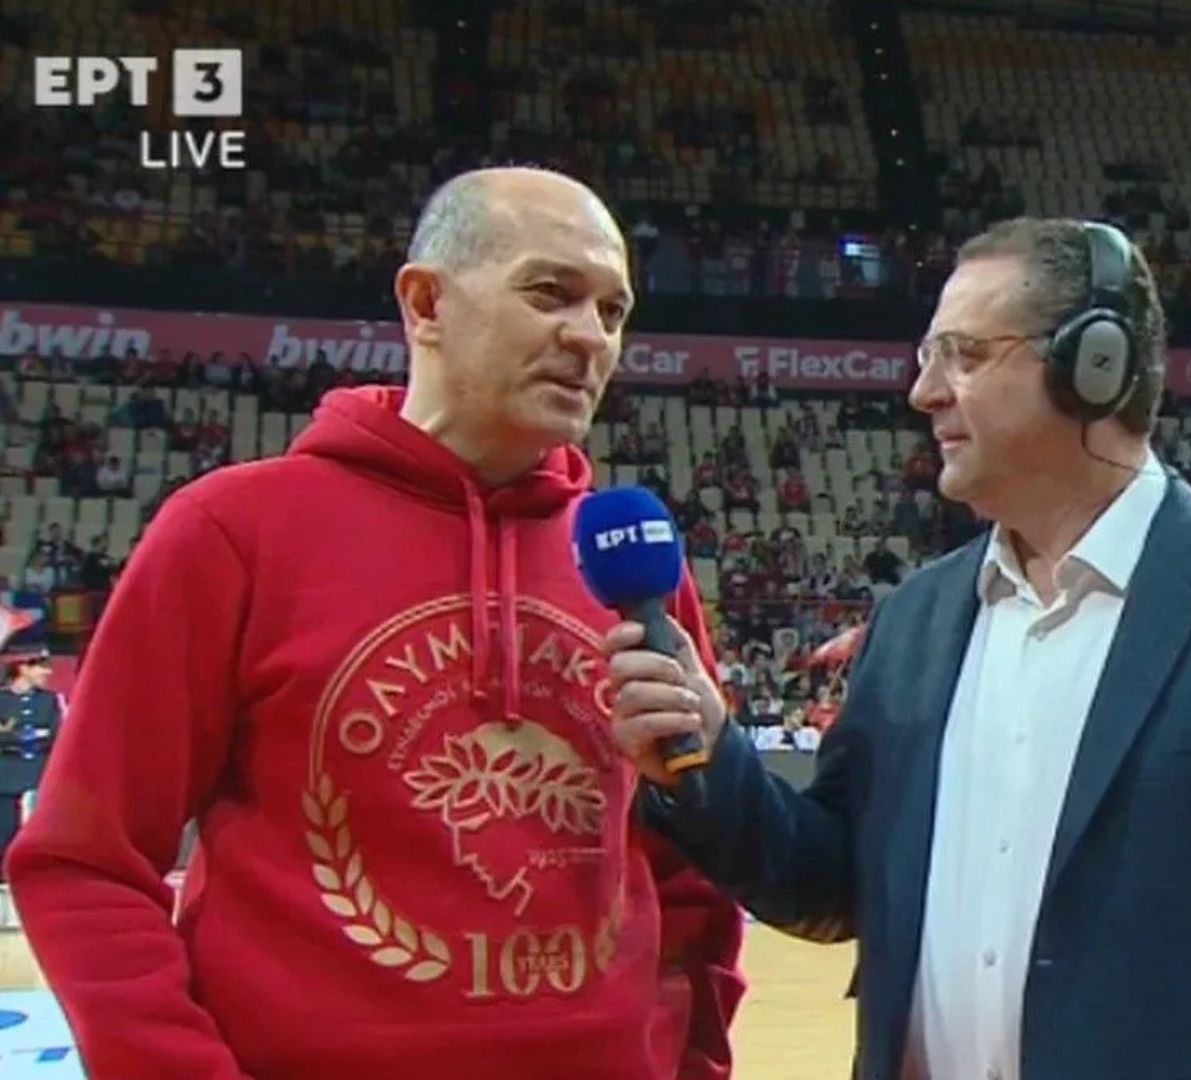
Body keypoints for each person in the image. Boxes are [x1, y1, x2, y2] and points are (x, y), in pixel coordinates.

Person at [608, 218, 1191, 1079]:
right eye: (928, 357)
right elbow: (832, 885)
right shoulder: (915, 620)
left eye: (963, 355)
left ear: (1095, 365)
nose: (922, 391)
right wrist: (711, 761)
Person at [5, 167, 744, 1080]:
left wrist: (690, 1062)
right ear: (426, 303)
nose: (591, 335)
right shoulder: (232, 532)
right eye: (551, 293)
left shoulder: (636, 569)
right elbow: (86, 860)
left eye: (613, 309)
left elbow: (696, 866)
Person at [0, 648, 63, 872]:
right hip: (7, 777)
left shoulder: (49, 700)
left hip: (39, 775)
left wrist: (16, 737)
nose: (47, 672)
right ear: (23, 668)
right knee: (6, 832)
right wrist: (23, 737)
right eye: (41, 667)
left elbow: (57, 735)